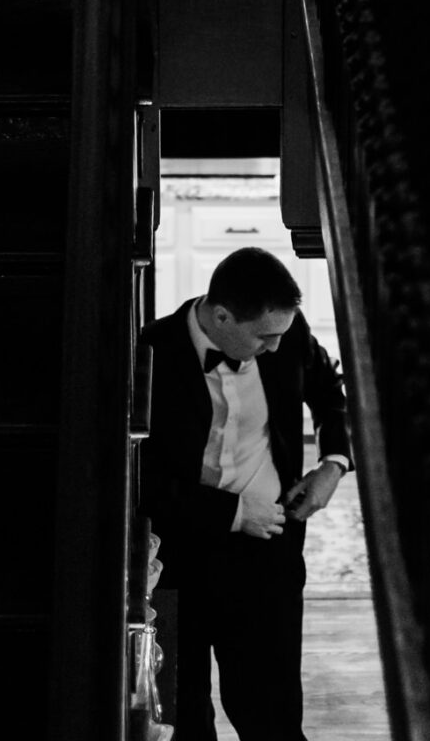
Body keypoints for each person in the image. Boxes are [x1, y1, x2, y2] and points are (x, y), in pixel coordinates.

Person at [139, 246, 352, 740]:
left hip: (268, 554)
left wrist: (334, 465)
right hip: (176, 558)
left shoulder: (288, 334)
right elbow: (142, 481)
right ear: (221, 316)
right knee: (181, 715)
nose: (275, 348)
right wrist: (233, 513)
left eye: (280, 334)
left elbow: (328, 391)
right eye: (263, 337)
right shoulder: (150, 354)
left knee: (273, 716)